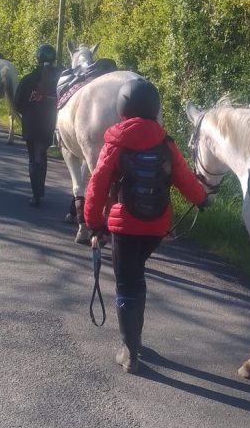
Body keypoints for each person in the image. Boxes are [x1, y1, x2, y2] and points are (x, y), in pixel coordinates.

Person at [84, 78, 210, 374]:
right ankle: (135, 340)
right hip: (156, 228)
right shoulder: (165, 142)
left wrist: (93, 224)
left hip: (124, 227)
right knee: (136, 276)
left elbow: (97, 185)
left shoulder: (115, 141)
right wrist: (202, 199)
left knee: (126, 282)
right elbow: (184, 179)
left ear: (123, 107)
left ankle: (130, 351)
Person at [13, 43, 61, 207]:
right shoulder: (61, 78)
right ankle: (40, 190)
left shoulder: (28, 79)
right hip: (49, 122)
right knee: (42, 154)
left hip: (31, 122)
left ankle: (36, 194)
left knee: (33, 156)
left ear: (38, 58)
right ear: (53, 58)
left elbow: (17, 104)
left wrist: (28, 110)